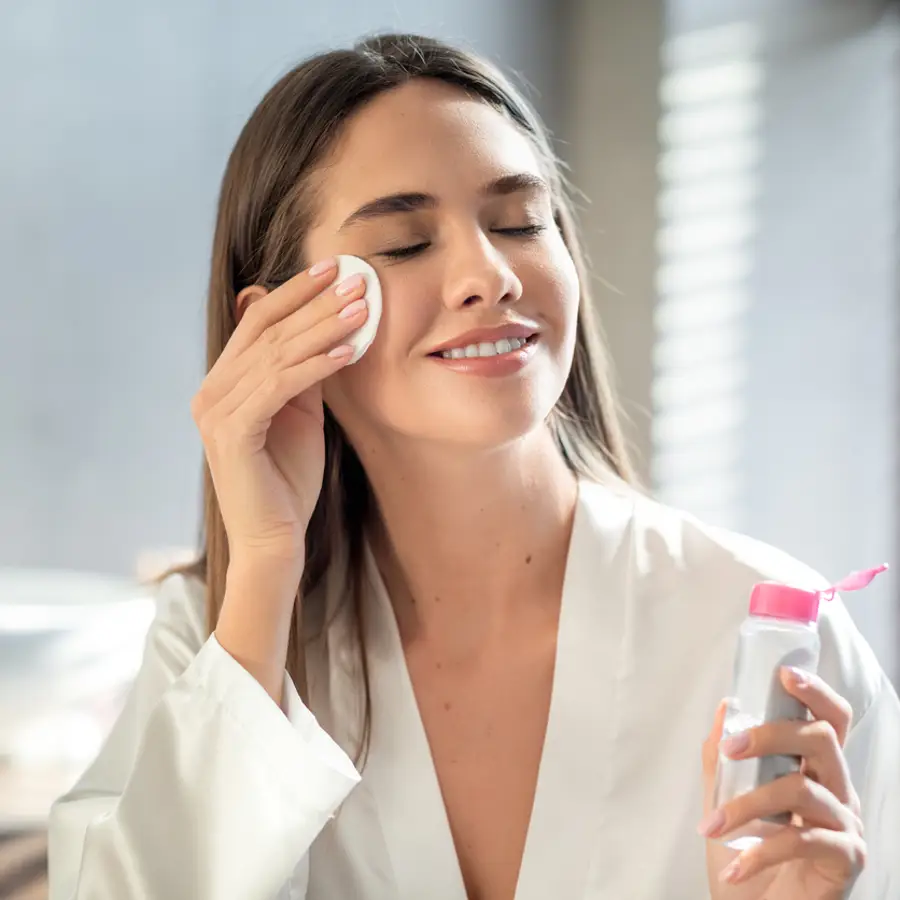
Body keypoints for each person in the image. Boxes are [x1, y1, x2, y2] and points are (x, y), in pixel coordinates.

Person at [47, 33, 899, 900]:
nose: (488, 274)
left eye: (520, 222)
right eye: (406, 243)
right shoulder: (217, 635)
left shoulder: (765, 638)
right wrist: (265, 561)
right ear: (276, 331)